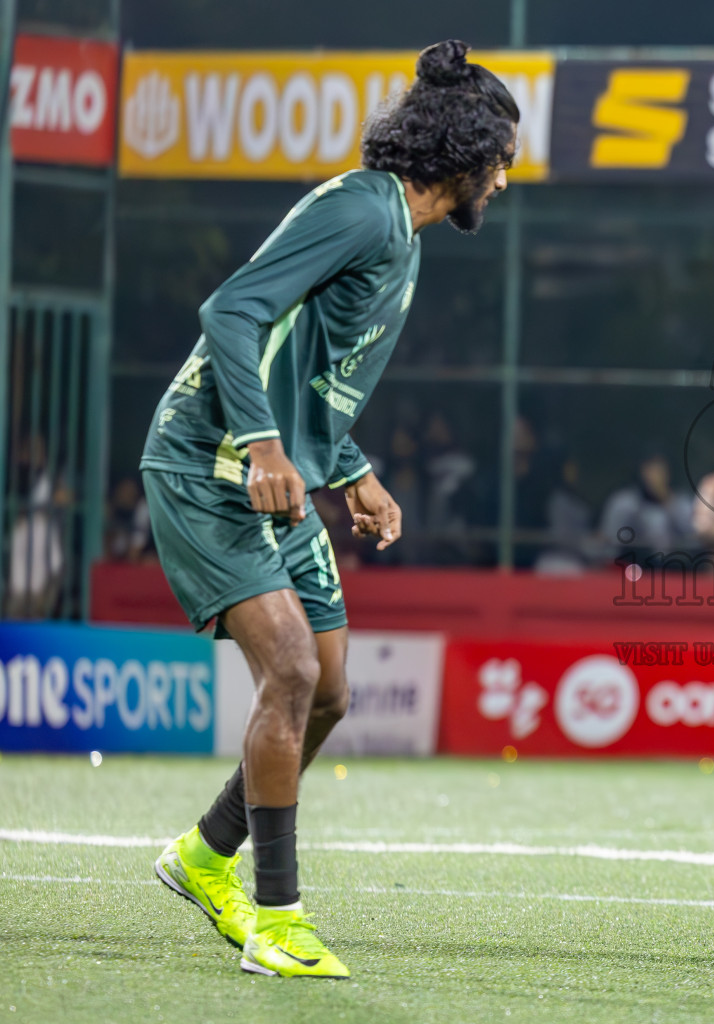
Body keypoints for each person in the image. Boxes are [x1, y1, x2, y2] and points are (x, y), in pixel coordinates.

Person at [139, 40, 520, 979]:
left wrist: (349, 467)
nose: (506, 181)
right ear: (465, 155)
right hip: (211, 465)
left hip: (283, 476)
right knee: (294, 668)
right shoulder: (361, 208)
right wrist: (265, 445)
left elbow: (307, 364)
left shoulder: (402, 230)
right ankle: (279, 921)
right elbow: (231, 312)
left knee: (334, 691)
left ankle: (202, 856)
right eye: (503, 159)